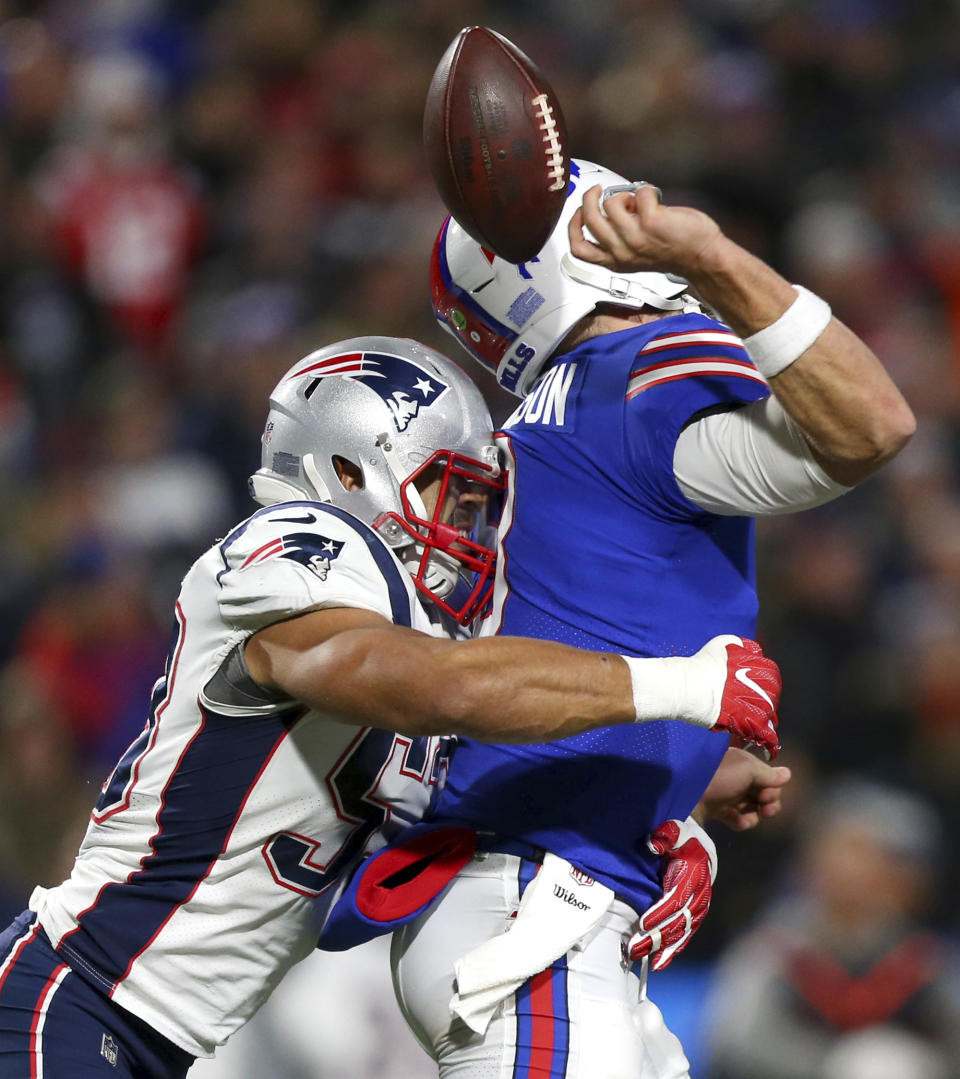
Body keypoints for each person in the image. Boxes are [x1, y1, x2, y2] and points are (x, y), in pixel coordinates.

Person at [0, 335, 780, 1079]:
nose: (468, 529)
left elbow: (486, 762)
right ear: (349, 466)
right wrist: (680, 684)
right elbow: (439, 686)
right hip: (77, 991)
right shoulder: (299, 541)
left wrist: (679, 799)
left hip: (147, 1034)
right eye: (452, 492)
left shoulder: (403, 632)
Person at [391, 159, 916, 1078]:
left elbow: (564, 631)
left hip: (520, 895)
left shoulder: (536, 430)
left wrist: (682, 770)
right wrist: (715, 256)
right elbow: (872, 425)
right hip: (537, 903)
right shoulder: (635, 368)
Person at [704, 777, 960, 1079]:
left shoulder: (923, 957)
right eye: (845, 849)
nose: (847, 867)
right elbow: (731, 1043)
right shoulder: (776, 945)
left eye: (869, 854)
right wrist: (834, 1064)